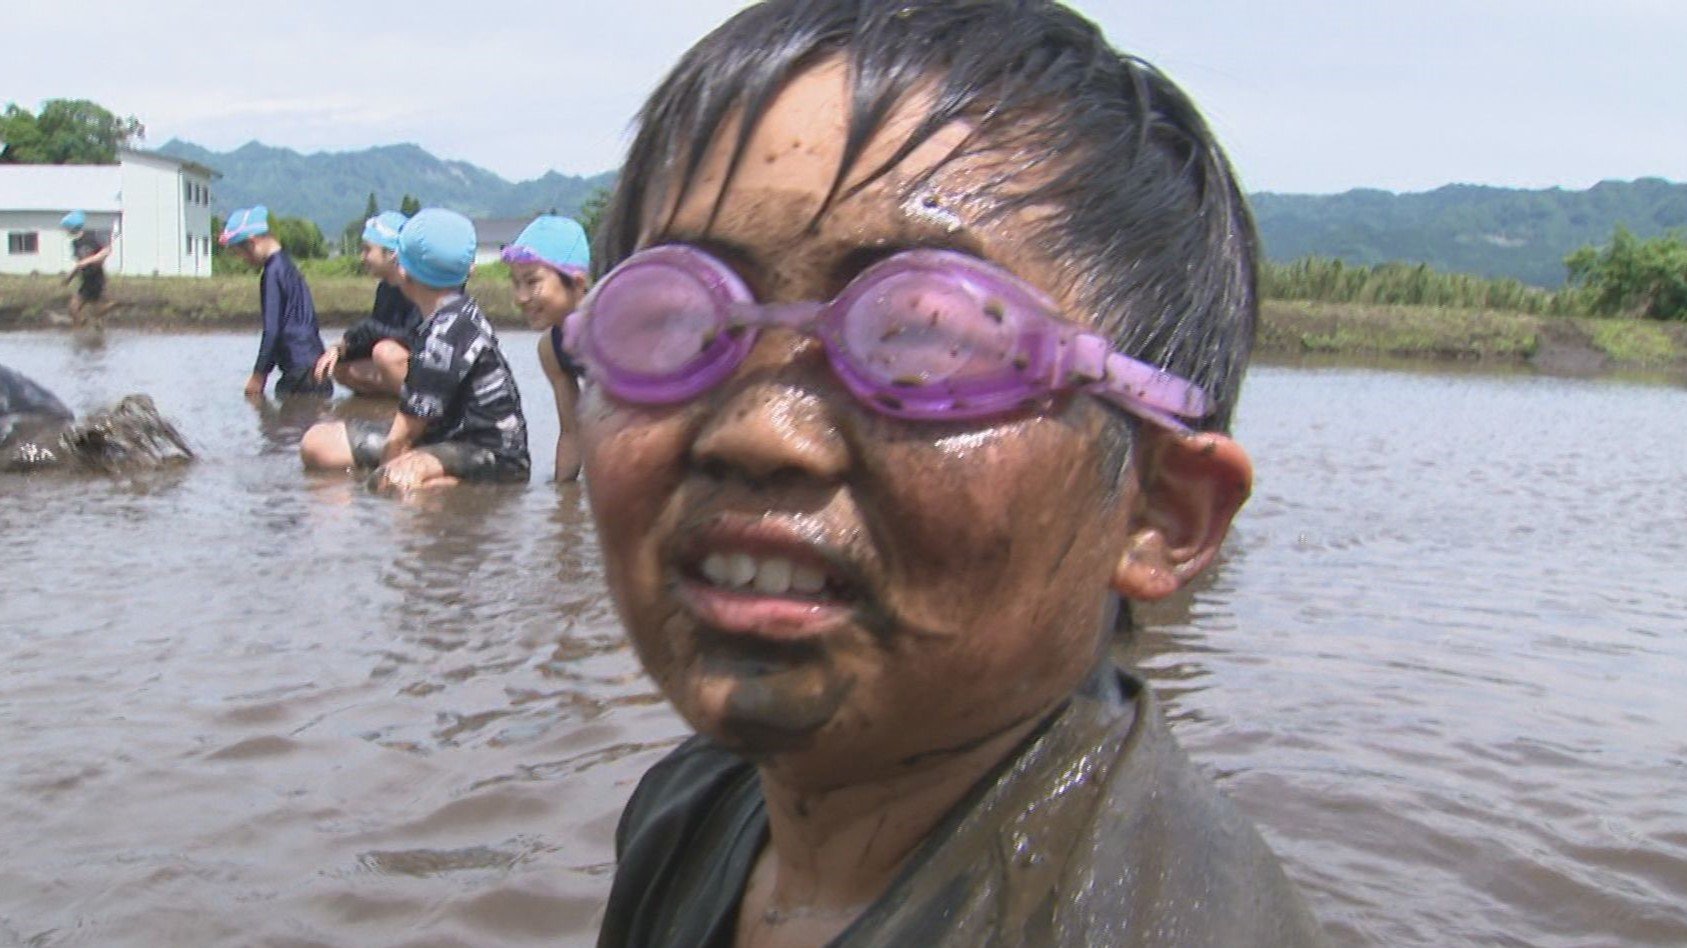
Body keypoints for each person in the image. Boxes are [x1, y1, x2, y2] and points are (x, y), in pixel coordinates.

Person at [582, 2, 1326, 946]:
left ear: (1160, 512)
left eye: (923, 334)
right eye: (672, 319)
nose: (758, 432)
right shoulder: (695, 806)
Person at [297, 208, 530, 490]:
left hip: (490, 453)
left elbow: (402, 437)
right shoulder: (452, 314)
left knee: (394, 480)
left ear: (404, 270)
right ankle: (441, 478)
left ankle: (452, 486)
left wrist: (373, 492)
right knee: (318, 442)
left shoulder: (445, 335)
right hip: (445, 435)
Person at [502, 214, 590, 481]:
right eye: (516, 283)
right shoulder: (551, 349)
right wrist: (563, 504)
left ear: (576, 283)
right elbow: (572, 433)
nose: (520, 298)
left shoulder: (616, 331)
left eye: (532, 282)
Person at [220, 205, 332, 398]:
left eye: (240, 253)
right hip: (315, 360)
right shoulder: (288, 266)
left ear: (252, 243)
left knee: (283, 421)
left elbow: (272, 331)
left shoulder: (271, 273)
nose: (243, 259)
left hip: (297, 369)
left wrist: (259, 375)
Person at [312, 211, 424, 397]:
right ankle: (385, 406)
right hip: (403, 363)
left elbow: (414, 340)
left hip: (428, 367)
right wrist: (341, 349)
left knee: (385, 353)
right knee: (339, 367)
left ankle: (417, 406)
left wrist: (366, 329)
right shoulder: (385, 288)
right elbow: (375, 334)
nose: (362, 257)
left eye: (367, 249)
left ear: (391, 254)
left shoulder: (420, 286)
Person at [59, 210, 113, 330]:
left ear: (73, 227)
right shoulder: (75, 243)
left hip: (97, 278)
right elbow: (79, 264)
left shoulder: (92, 236)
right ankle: (81, 332)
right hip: (85, 279)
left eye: (67, 228)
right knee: (73, 308)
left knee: (96, 312)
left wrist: (89, 260)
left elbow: (106, 251)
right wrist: (69, 278)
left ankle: (95, 333)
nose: (66, 231)